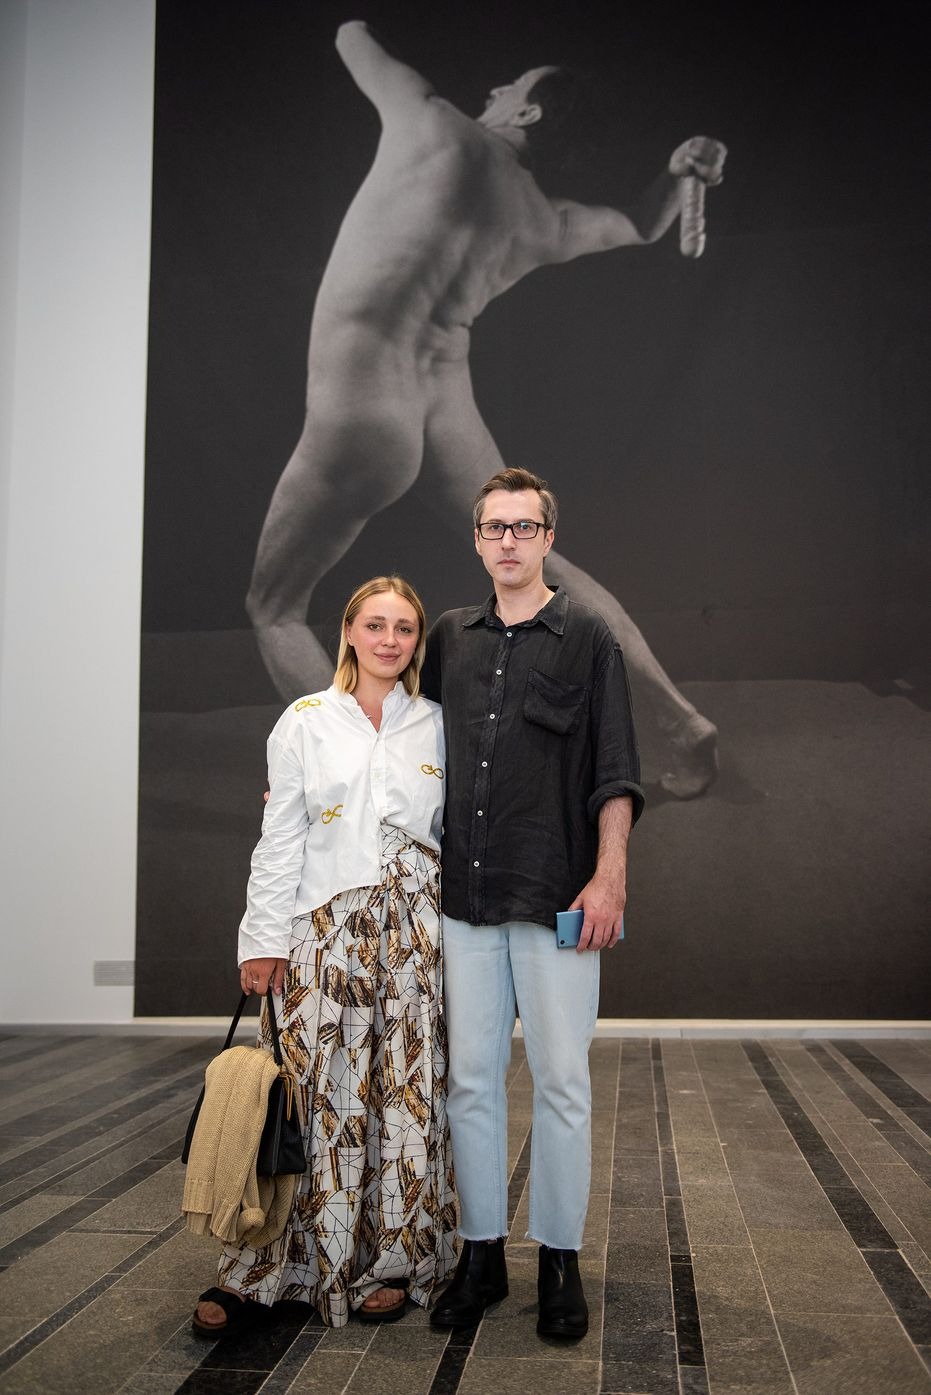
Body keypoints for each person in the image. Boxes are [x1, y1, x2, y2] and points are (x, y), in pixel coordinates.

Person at [246, 20, 726, 799]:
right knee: (544, 569)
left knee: (272, 607)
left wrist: (350, 24)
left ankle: (375, 803)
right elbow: (641, 225)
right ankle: (679, 720)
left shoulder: (427, 120)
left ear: (527, 112)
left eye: (512, 85)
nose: (495, 88)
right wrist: (677, 175)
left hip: (364, 410)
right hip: (441, 406)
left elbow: (349, 37)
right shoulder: (544, 219)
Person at [192, 576, 456, 1335]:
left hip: (417, 936)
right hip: (323, 933)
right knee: (311, 1098)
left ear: (417, 641)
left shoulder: (438, 723)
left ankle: (393, 1263)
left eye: (404, 628)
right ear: (347, 632)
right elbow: (280, 838)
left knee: (406, 1095)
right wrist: (262, 940)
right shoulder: (305, 720)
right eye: (374, 625)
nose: (389, 640)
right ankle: (268, 1270)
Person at [421, 467, 643, 1340]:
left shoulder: (589, 636)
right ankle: (480, 1256)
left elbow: (616, 770)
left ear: (548, 537)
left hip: (558, 896)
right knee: (470, 1082)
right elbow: (405, 751)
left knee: (561, 1082)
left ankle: (558, 1259)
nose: (507, 540)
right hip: (465, 896)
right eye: (493, 527)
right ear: (477, 540)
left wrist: (609, 876)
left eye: (523, 526)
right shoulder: (449, 637)